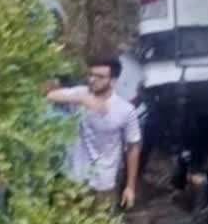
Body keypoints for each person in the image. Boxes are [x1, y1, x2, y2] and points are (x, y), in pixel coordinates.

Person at [46, 56, 141, 210]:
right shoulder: (81, 93)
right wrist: (83, 99)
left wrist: (130, 187)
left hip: (103, 184)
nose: (92, 80)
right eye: (90, 75)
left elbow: (133, 148)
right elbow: (49, 95)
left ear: (113, 80)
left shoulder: (125, 110)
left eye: (100, 77)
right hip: (71, 179)